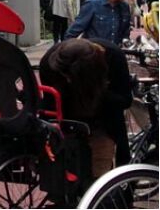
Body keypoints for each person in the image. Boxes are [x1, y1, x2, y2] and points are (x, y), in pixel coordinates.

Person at [39, 38, 131, 178]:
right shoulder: (50, 62)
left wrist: (96, 91)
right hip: (67, 123)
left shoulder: (113, 57)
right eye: (64, 76)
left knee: (99, 175)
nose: (67, 80)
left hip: (102, 122)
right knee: (61, 176)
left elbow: (125, 100)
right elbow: (50, 102)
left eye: (70, 77)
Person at [64, 0, 135, 44]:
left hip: (115, 49)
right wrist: (66, 47)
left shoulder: (124, 7)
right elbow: (74, 30)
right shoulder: (92, 4)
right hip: (94, 49)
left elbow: (126, 32)